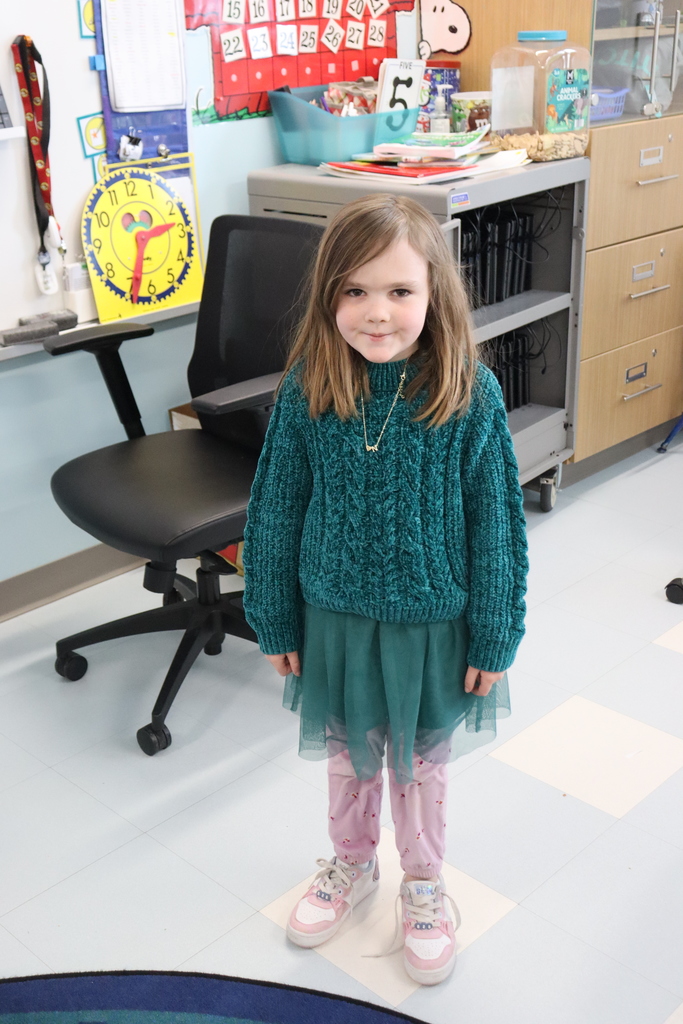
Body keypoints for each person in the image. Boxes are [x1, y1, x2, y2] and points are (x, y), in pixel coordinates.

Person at [242, 193, 528, 986]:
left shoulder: (467, 392)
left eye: (399, 291)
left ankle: (424, 884)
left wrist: (495, 632)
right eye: (355, 291)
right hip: (332, 617)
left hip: (430, 625)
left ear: (434, 293)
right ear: (328, 296)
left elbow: (496, 524)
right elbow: (274, 509)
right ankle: (351, 862)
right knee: (348, 758)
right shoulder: (308, 388)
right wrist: (272, 616)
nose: (376, 312)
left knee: (419, 768)